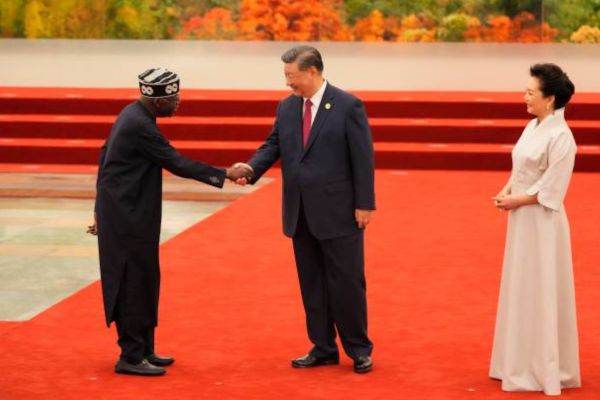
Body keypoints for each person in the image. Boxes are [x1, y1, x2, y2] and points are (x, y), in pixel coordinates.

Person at [87, 67, 251, 376]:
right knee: (132, 283)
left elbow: (104, 154)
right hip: (125, 218)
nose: (178, 103)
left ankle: (145, 349)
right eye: (173, 98)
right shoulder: (140, 125)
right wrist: (226, 173)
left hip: (131, 214)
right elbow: (176, 162)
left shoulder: (134, 114)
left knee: (146, 279)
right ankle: (131, 357)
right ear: (157, 99)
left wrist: (98, 207)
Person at [234, 46, 375, 373]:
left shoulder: (347, 105)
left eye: (291, 76)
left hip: (339, 211)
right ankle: (323, 346)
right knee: (312, 283)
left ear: (312, 72)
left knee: (347, 283)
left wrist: (365, 203)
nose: (287, 83)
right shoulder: (286, 108)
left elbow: (363, 158)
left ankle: (358, 348)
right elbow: (273, 145)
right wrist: (251, 169)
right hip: (300, 212)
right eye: (286, 76)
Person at [489, 63, 580, 395]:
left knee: (540, 289)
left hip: (543, 224)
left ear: (550, 99)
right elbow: (520, 167)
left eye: (531, 92)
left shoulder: (562, 138)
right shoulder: (532, 126)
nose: (524, 96)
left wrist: (515, 201)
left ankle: (543, 367)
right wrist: (506, 189)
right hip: (521, 219)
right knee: (520, 286)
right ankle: (514, 361)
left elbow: (551, 191)